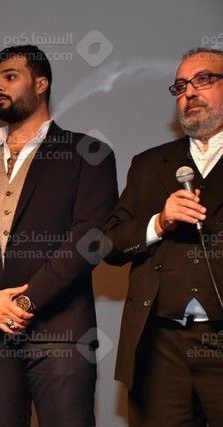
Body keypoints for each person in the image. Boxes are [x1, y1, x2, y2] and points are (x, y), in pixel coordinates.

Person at [0, 45, 118, 426]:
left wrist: (26, 301)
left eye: (10, 77)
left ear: (41, 84)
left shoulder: (88, 153)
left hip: (61, 331)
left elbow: (90, 237)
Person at [104, 47, 223, 426]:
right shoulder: (149, 164)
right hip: (160, 347)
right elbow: (110, 243)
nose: (190, 92)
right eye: (181, 86)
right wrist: (159, 222)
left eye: (203, 79)